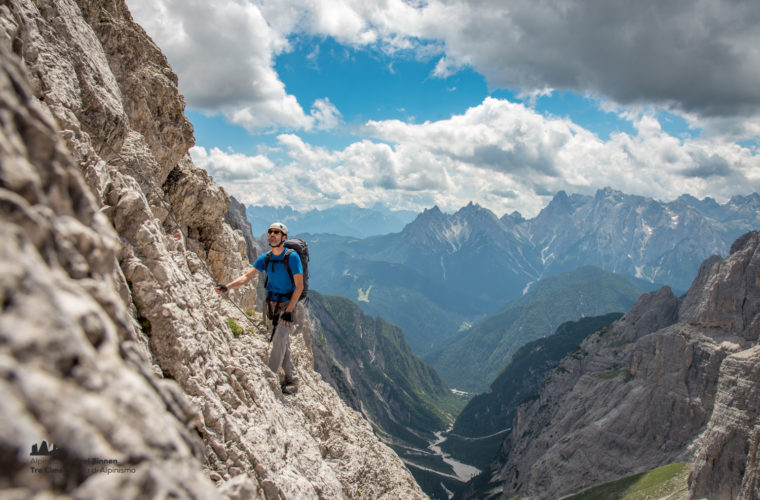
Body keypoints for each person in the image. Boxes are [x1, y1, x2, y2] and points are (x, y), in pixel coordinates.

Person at [215, 222, 304, 394]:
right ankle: (292, 380)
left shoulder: (292, 257)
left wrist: (288, 312)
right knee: (281, 341)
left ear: (284, 237)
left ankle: (270, 375)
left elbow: (299, 287)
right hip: (271, 305)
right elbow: (246, 277)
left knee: (280, 338)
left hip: (288, 305)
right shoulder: (266, 258)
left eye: (277, 232)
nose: (272, 235)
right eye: (270, 232)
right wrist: (227, 287)